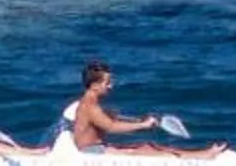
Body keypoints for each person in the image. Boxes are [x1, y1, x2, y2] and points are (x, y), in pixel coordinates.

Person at [57, 59, 225, 159]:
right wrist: (142, 125)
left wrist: (127, 118)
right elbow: (111, 127)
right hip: (92, 152)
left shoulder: (88, 102)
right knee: (147, 149)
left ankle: (196, 154)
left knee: (147, 146)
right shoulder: (90, 106)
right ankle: (200, 156)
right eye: (107, 83)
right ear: (94, 85)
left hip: (96, 148)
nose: (111, 86)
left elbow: (100, 122)